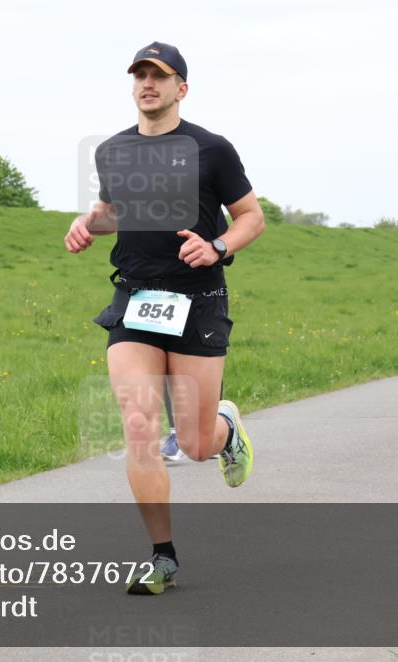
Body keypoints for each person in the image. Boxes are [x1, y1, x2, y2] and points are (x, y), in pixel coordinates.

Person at [65, 41, 265, 594]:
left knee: (195, 443)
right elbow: (112, 213)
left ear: (182, 88)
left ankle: (226, 433)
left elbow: (251, 217)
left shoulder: (212, 149)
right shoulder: (113, 151)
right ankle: (162, 556)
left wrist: (219, 247)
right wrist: (88, 224)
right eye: (140, 75)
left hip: (198, 301)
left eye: (160, 75)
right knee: (138, 426)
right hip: (135, 298)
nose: (147, 83)